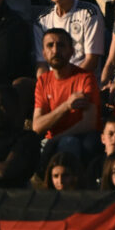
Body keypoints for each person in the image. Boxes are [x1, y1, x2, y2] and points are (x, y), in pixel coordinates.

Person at [32, 28, 102, 163]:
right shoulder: (43, 81)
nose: (55, 50)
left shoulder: (85, 78)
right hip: (51, 139)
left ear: (71, 51)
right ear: (44, 54)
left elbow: (89, 123)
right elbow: (37, 126)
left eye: (61, 45)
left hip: (79, 138)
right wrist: (66, 106)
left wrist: (56, 139)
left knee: (69, 142)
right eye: (50, 45)